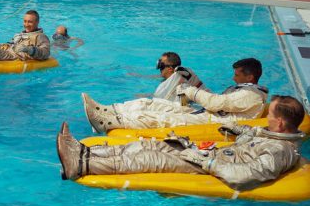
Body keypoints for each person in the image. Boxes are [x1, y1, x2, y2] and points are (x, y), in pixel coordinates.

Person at [57, 95, 305, 191]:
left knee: (149, 159)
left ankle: (79, 164)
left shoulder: (280, 150)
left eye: (270, 115)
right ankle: (84, 151)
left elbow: (245, 175)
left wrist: (206, 162)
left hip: (207, 165)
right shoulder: (271, 135)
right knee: (149, 146)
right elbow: (250, 143)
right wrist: (240, 131)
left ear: (281, 123)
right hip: (210, 154)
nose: (266, 117)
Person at [83, 58, 268, 132]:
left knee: (160, 118)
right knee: (152, 103)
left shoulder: (251, 95)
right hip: (205, 114)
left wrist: (190, 90)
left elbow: (216, 103)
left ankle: (109, 122)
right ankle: (108, 110)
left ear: (250, 77)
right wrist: (193, 84)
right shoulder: (243, 90)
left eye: (237, 74)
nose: (233, 77)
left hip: (211, 123)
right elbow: (218, 102)